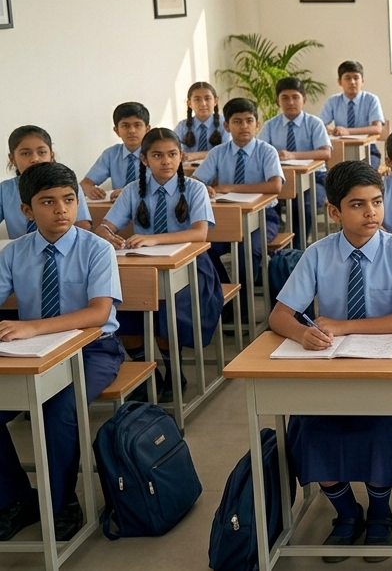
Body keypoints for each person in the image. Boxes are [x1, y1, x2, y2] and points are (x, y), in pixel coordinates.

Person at [269, 161, 392, 563]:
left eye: (377, 202)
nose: (371, 212)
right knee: (311, 432)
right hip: (332, 368)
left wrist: (343, 325)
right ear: (334, 211)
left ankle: (380, 513)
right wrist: (301, 332)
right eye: (358, 205)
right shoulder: (319, 254)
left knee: (381, 432)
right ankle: (345, 513)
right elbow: (279, 315)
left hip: (387, 368)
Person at [0, 162, 123, 542]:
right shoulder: (13, 252)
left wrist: (32, 326)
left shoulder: (96, 249)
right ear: (26, 211)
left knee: (59, 411)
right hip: (35, 354)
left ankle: (62, 501)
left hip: (93, 350)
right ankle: (16, 499)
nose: (61, 210)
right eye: (48, 202)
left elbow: (99, 313)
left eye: (69, 200)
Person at [98, 128, 224, 402]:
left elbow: (199, 233)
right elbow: (105, 226)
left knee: (168, 311)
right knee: (124, 308)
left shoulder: (194, 188)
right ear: (144, 160)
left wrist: (153, 240)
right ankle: (148, 372)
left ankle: (174, 370)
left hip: (191, 267)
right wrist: (110, 236)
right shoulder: (133, 190)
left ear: (181, 157)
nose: (165, 161)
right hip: (143, 268)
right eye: (157, 155)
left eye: (172, 154)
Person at [191, 97, 284, 282]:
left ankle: (243, 302)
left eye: (249, 121)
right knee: (203, 248)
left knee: (247, 249)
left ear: (257, 124)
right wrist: (204, 188)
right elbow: (195, 181)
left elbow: (275, 185)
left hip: (264, 216)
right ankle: (225, 292)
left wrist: (231, 188)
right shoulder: (218, 152)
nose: (244, 126)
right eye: (237, 121)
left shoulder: (267, 151)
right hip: (226, 217)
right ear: (226, 126)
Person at [258, 77, 333, 241]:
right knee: (268, 203)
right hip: (280, 178)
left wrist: (293, 155)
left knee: (304, 205)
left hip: (314, 178)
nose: (290, 102)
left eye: (295, 97)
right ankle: (275, 245)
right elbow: (259, 152)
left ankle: (299, 247)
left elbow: (325, 153)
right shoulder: (270, 125)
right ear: (278, 101)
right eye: (285, 98)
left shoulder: (314, 123)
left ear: (303, 100)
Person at [0, 126, 92, 238]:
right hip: (20, 252)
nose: (35, 159)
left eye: (42, 152)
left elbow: (83, 225)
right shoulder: (4, 190)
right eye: (26, 153)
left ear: (51, 155)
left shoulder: (68, 185)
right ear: (12, 159)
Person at [81, 102, 151, 200]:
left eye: (137, 125)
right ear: (117, 131)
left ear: (147, 129)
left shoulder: (156, 154)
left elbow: (162, 184)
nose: (132, 130)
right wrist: (89, 189)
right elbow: (85, 183)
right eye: (125, 126)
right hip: (120, 208)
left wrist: (128, 192)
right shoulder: (111, 154)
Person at [179, 81, 224, 162]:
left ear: (215, 101)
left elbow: (227, 151)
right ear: (189, 103)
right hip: (189, 171)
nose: (203, 103)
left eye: (207, 98)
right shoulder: (182, 126)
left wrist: (196, 155)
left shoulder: (225, 124)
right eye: (197, 99)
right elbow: (174, 150)